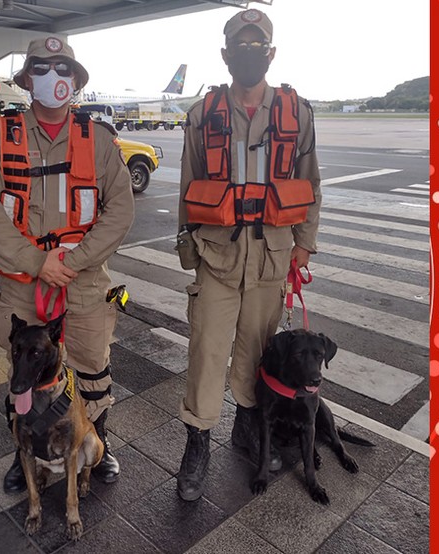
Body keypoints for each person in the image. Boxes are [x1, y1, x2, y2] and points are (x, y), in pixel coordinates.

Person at [0, 36, 135, 493]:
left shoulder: (99, 140)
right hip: (22, 285)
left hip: (82, 283)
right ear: (26, 81)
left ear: (76, 81)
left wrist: (74, 261)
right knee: (23, 371)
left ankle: (96, 444)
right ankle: (24, 449)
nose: (52, 78)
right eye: (41, 69)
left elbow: (119, 211)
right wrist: (37, 261)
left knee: (92, 369)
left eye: (62, 69)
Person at [174, 8, 322, 501]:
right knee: (207, 352)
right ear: (226, 54)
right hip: (217, 254)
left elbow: (311, 183)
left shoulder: (297, 113)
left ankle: (245, 423)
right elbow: (188, 185)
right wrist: (185, 245)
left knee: (256, 353)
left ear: (271, 54)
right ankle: (197, 442)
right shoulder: (204, 113)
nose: (249, 55)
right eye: (241, 47)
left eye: (258, 48)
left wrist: (304, 243)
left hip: (272, 257)